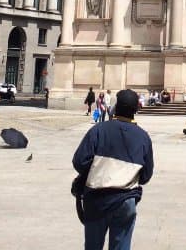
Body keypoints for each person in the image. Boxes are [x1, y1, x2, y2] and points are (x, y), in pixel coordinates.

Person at [72, 89, 154, 250]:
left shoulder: (98, 130)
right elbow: (146, 176)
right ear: (135, 110)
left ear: (115, 108)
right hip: (126, 200)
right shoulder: (143, 137)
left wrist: (98, 169)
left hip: (97, 199)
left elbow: (79, 162)